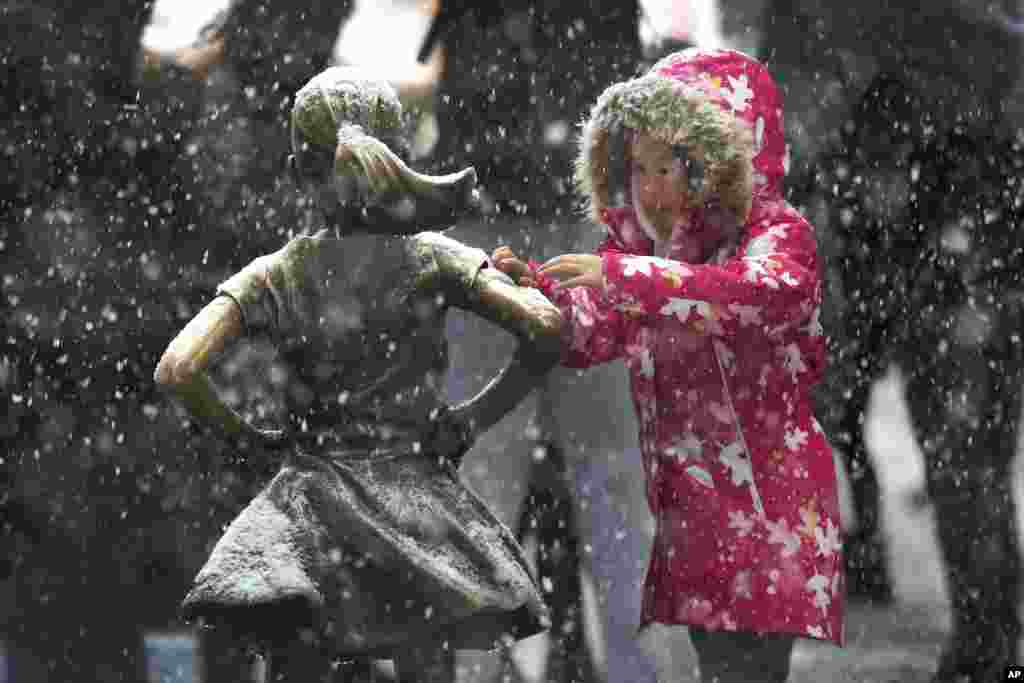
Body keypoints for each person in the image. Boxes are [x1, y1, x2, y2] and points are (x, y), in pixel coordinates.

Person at [154, 66, 565, 682]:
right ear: (398, 156)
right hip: (419, 504)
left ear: (298, 172)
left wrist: (248, 440)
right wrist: (473, 419)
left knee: (300, 653)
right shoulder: (433, 256)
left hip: (310, 503)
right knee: (424, 651)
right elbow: (548, 328)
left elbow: (177, 369)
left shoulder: (274, 274)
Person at [493, 48, 845, 682]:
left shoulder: (777, 235)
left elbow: (751, 297)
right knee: (717, 671)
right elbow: (592, 331)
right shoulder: (649, 257)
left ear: (715, 167)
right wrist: (534, 299)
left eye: (667, 167)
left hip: (771, 522)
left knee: (748, 673)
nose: (650, 188)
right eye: (637, 169)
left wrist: (625, 276)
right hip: (695, 523)